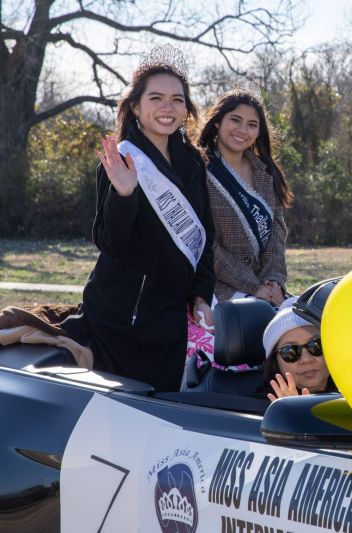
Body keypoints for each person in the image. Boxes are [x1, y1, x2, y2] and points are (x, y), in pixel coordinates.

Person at [80, 45, 215, 392]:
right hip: (122, 317)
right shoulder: (123, 160)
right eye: (156, 98)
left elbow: (204, 237)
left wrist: (201, 294)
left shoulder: (194, 162)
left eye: (177, 99)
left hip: (169, 318)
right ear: (136, 107)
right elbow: (111, 243)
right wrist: (123, 195)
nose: (167, 108)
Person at [198, 89, 292, 306]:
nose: (243, 130)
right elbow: (203, 242)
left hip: (267, 289)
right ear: (217, 122)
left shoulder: (266, 174)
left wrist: (273, 281)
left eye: (252, 124)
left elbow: (277, 234)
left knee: (305, 326)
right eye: (235, 120)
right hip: (219, 288)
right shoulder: (198, 170)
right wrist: (253, 286)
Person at [261, 298, 336, 401]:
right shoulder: (258, 409)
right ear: (274, 362)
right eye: (290, 351)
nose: (306, 359)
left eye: (316, 345)